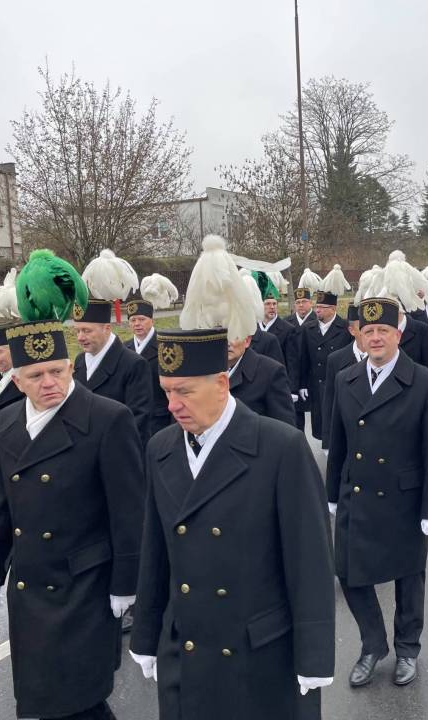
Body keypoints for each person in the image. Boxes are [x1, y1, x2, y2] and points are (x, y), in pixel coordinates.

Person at [130, 235, 336, 719]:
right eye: (166, 391)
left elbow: (309, 559)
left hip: (258, 653)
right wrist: (146, 636)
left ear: (222, 384)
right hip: (187, 648)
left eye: (184, 391)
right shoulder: (161, 448)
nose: (172, 405)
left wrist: (314, 655)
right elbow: (156, 550)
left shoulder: (280, 448)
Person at [0, 271, 145, 719]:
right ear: (18, 381)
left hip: (84, 584)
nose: (48, 381)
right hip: (30, 583)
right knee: (44, 696)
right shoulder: (7, 423)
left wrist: (126, 583)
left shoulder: (108, 419)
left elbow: (129, 511)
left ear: (71, 368)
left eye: (57, 370)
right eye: (36, 375)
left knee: (79, 700)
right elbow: (0, 504)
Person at [326, 297, 428, 687]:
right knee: (349, 573)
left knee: (408, 579)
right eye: (368, 331)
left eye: (383, 330)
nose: (375, 337)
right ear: (359, 337)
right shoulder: (346, 379)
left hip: (403, 499)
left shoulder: (426, 383)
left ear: (399, 333)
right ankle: (373, 644)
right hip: (356, 493)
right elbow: (338, 442)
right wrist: (332, 493)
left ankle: (407, 648)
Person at [74, 298, 153, 447]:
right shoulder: (79, 361)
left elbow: (138, 420)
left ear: (107, 329)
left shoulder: (133, 364)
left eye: (87, 331)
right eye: (77, 331)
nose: (80, 337)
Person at [294, 288, 353, 441]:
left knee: (338, 420)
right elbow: (303, 358)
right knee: (320, 423)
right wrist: (302, 384)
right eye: (316, 307)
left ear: (333, 309)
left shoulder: (345, 328)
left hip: (338, 383)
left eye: (321, 307)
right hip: (316, 384)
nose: (317, 310)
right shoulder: (308, 328)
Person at [124, 294, 172, 435]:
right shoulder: (125, 348)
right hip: (133, 417)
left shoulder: (165, 346)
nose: (137, 324)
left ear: (151, 320)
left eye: (141, 319)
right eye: (133, 320)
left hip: (159, 417)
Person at [321, 305, 365, 450]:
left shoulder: (384, 358)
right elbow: (330, 402)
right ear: (352, 330)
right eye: (363, 328)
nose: (369, 333)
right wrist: (328, 442)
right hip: (347, 434)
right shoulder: (336, 359)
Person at [227, 333, 296, 426]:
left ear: (247, 340)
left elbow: (285, 426)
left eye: (233, 336)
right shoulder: (209, 370)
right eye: (223, 336)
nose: (228, 343)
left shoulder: (271, 372)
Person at [286, 287, 318, 431]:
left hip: (311, 374)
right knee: (296, 416)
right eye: (298, 302)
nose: (301, 305)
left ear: (311, 303)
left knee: (318, 414)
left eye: (304, 301)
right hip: (293, 375)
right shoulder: (287, 322)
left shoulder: (317, 320)